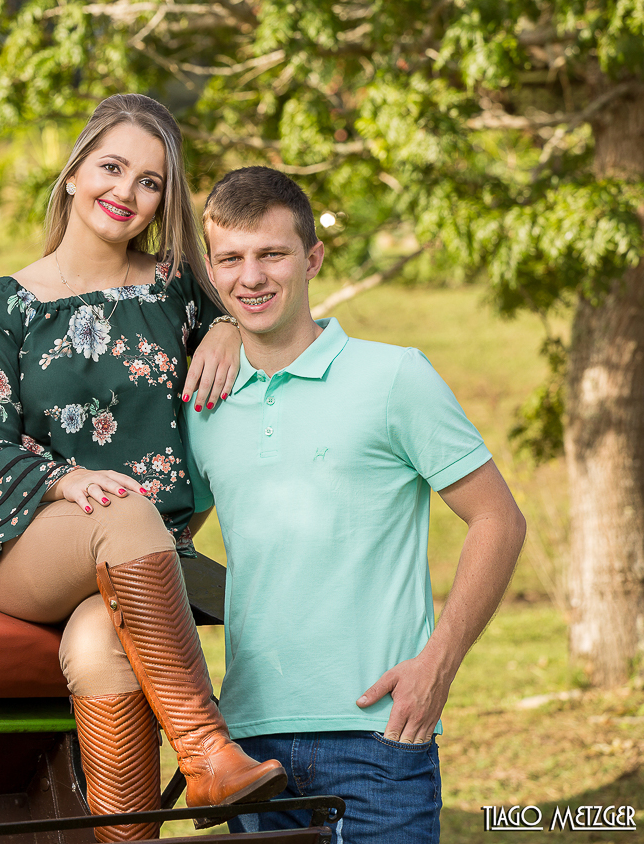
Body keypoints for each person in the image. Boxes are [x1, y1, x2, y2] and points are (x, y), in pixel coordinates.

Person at [0, 95, 287, 841]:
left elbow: (262, 312)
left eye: (150, 182)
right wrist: (64, 480)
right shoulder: (5, 306)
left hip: (140, 559)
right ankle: (206, 753)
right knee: (123, 506)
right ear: (75, 173)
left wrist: (228, 328)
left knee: (98, 645)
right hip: (24, 542)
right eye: (111, 167)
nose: (126, 193)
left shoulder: (178, 290)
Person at [184, 166, 527, 842]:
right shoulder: (204, 402)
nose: (251, 277)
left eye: (272, 254)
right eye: (231, 259)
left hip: (379, 735)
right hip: (249, 745)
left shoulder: (394, 377)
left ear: (313, 259)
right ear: (213, 272)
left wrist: (439, 664)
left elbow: (499, 519)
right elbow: (166, 544)